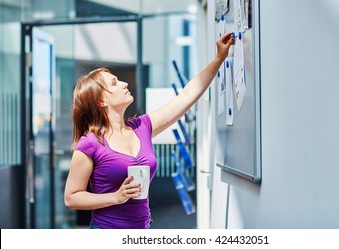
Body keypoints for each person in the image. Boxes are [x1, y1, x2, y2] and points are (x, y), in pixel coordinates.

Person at [64, 32, 235, 229]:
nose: (124, 84)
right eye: (114, 83)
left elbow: (187, 96)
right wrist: (115, 197)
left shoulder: (142, 127)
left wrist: (219, 58)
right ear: (101, 101)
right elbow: (72, 197)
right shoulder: (91, 143)